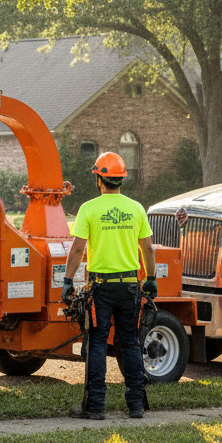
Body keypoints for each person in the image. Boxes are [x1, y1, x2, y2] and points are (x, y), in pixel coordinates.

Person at [61, 151, 157, 420]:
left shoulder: (89, 209)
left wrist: (68, 281)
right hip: (129, 286)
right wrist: (150, 279)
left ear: (98, 178)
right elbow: (147, 248)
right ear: (121, 180)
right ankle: (136, 405)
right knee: (129, 342)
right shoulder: (136, 208)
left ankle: (95, 408)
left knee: (97, 344)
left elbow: (78, 249)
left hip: (100, 288)